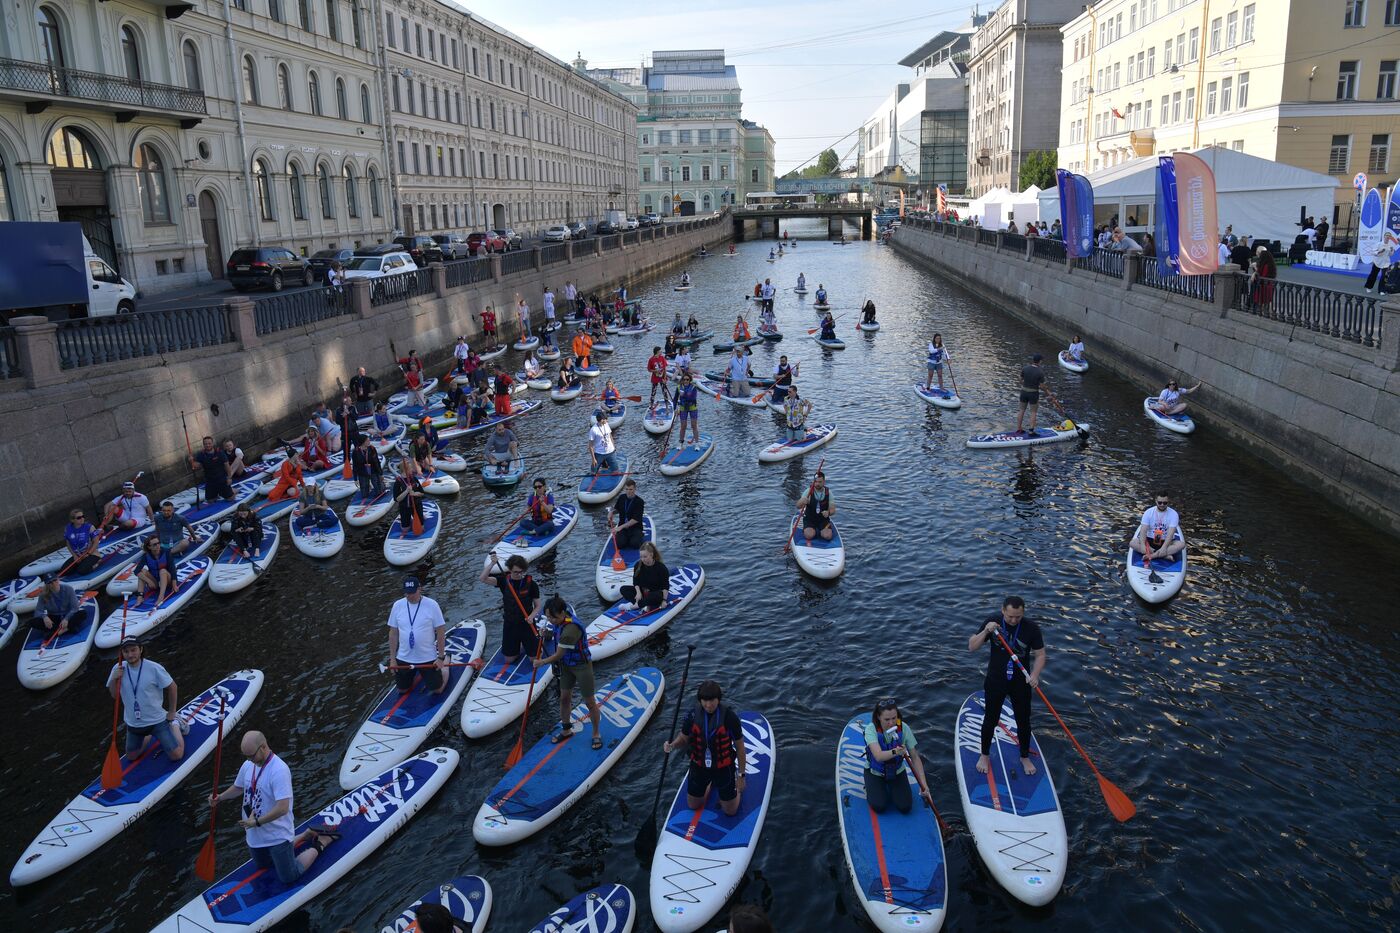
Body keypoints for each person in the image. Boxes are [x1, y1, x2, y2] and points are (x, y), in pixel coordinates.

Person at [208, 731, 339, 885]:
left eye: (251, 755)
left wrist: (257, 822)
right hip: (255, 835)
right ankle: (305, 835)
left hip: (277, 835)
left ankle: (320, 843)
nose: (249, 760)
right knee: (264, 865)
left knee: (289, 876)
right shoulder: (248, 764)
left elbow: (283, 808)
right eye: (246, 756)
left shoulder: (279, 771)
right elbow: (238, 787)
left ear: (263, 747)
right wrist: (220, 797)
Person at [968, 596, 1046, 776]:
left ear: (1023, 613)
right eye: (1010, 616)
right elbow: (972, 646)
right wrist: (986, 632)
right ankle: (985, 755)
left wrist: (1034, 675)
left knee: (1023, 721)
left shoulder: (1031, 628)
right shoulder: (992, 621)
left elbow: (1040, 655)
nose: (1013, 620)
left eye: (1018, 617)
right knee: (990, 719)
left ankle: (1024, 756)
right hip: (996, 680)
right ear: (1003, 610)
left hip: (1021, 682)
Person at [663, 680, 747, 817]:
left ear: (718, 699)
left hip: (723, 768)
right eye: (705, 700)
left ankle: (734, 792)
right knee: (693, 805)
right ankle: (709, 784)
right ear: (700, 700)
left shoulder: (730, 718)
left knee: (730, 811)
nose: (708, 705)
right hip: (699, 767)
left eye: (712, 700)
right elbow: (683, 739)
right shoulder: (692, 716)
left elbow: (740, 748)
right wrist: (672, 745)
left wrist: (741, 776)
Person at [535, 596, 602, 748]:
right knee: (564, 699)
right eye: (548, 617)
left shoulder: (571, 629)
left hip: (581, 666)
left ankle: (596, 733)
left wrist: (542, 662)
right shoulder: (561, 621)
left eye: (553, 617)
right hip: (566, 666)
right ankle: (566, 730)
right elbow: (557, 633)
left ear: (563, 613)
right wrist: (548, 634)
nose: (551, 620)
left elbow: (559, 654)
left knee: (590, 702)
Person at [107, 637, 185, 762]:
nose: (130, 655)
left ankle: (175, 724)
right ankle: (147, 735)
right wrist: (113, 680)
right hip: (134, 725)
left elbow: (173, 687)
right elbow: (115, 696)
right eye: (126, 651)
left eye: (133, 650)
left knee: (177, 755)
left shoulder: (154, 668)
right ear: (122, 653)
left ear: (141, 649)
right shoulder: (118, 669)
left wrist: (172, 712)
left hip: (157, 722)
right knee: (131, 757)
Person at [862, 698, 934, 814]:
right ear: (878, 717)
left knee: (905, 807)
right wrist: (896, 752)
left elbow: (915, 757)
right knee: (879, 807)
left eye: (894, 718)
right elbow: (878, 756)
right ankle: (870, 786)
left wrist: (924, 783)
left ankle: (892, 789)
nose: (891, 723)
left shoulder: (904, 728)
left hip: (897, 771)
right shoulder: (871, 730)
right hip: (875, 771)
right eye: (886, 719)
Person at [387, 576, 447, 694]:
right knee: (402, 690)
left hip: (427, 657)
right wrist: (392, 659)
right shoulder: (397, 605)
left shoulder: (432, 605)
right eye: (406, 593)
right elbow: (393, 633)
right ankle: (417, 675)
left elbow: (440, 631)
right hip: (404, 657)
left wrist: (440, 657)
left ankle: (445, 669)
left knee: (437, 690)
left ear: (420, 589)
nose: (409, 596)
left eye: (412, 593)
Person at [479, 553, 542, 663]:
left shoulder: (531, 584)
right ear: (509, 570)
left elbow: (538, 606)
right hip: (510, 624)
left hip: (526, 624)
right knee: (509, 660)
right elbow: (483, 578)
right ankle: (520, 645)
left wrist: (531, 617)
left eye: (521, 572)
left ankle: (535, 642)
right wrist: (492, 564)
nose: (518, 574)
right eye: (515, 572)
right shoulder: (504, 581)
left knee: (534, 659)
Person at [1131, 491, 1185, 562]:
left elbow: (1170, 534)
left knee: (1181, 544)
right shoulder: (1148, 512)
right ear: (1156, 501)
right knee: (1132, 543)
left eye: (1165, 503)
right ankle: (1163, 555)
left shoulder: (1173, 514)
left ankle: (1152, 556)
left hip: (1166, 541)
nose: (1162, 505)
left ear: (1168, 502)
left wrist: (1164, 547)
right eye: (1160, 502)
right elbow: (1143, 531)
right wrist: (1143, 545)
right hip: (1150, 541)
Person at [619, 541, 668, 610]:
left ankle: (633, 606)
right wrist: (638, 593)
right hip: (643, 592)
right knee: (623, 589)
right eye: (641, 557)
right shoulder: (638, 565)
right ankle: (642, 604)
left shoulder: (661, 568)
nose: (642, 559)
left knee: (657, 596)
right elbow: (635, 581)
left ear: (651, 555)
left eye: (645, 557)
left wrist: (664, 601)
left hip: (654, 593)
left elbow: (665, 586)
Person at [32, 573, 84, 638]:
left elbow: (75, 608)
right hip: (54, 617)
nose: (53, 583)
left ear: (58, 579)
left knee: (82, 613)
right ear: (47, 585)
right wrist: (44, 617)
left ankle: (59, 632)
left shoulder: (68, 589)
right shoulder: (43, 594)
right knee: (32, 622)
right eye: (50, 582)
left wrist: (66, 619)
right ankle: (70, 628)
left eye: (55, 580)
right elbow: (38, 611)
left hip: (67, 615)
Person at [153, 499, 197, 568]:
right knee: (147, 543)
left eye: (168, 510)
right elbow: (157, 529)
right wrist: (157, 542)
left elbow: (189, 528)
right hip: (163, 544)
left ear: (173, 510)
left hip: (177, 543)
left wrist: (195, 538)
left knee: (185, 542)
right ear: (161, 510)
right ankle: (167, 553)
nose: (166, 512)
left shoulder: (180, 518)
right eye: (164, 510)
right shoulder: (157, 518)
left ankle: (167, 554)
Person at [191, 435, 235, 501]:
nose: (207, 445)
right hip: (210, 481)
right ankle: (218, 494)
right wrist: (191, 461)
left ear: (212, 443)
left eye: (209, 443)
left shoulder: (220, 452)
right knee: (210, 501)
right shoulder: (201, 454)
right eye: (205, 444)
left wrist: (229, 478)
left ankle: (234, 491)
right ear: (203, 445)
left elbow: (227, 466)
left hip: (222, 479)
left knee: (231, 499)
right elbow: (196, 466)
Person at [135, 535, 176, 605]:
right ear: (149, 547)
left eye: (158, 543)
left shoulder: (166, 552)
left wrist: (174, 585)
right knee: (143, 571)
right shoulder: (146, 556)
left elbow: (172, 568)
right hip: (155, 582)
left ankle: (161, 597)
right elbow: (136, 571)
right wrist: (148, 581)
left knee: (162, 571)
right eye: (154, 544)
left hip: (167, 580)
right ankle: (140, 597)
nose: (158, 545)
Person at [62, 508, 103, 576]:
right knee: (64, 571)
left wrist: (88, 554)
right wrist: (74, 556)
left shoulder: (89, 527)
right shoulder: (67, 528)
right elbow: (68, 543)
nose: (82, 518)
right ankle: (81, 563)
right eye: (79, 518)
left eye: (83, 516)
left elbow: (96, 541)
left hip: (91, 554)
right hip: (78, 555)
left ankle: (97, 562)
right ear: (72, 520)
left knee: (82, 571)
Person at [609, 479, 646, 551]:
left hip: (635, 527)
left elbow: (635, 520)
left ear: (635, 489)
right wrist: (611, 512)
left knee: (635, 544)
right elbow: (617, 509)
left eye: (631, 489)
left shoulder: (639, 501)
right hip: (623, 527)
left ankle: (639, 536)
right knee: (620, 544)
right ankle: (625, 538)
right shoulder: (621, 497)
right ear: (624, 489)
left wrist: (619, 528)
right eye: (627, 489)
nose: (629, 491)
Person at [797, 470, 834, 542]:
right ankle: (812, 530)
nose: (817, 484)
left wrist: (828, 513)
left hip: (823, 520)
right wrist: (802, 501)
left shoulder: (828, 492)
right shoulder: (808, 491)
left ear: (824, 482)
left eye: (820, 482)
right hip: (810, 519)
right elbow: (798, 506)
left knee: (828, 536)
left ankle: (821, 531)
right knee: (809, 535)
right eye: (816, 482)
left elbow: (833, 510)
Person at [392, 458, 425, 531]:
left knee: (421, 528)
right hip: (405, 507)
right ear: (405, 470)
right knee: (405, 529)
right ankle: (405, 520)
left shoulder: (414, 478)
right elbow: (397, 499)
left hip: (416, 505)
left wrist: (415, 494)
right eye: (411, 469)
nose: (413, 470)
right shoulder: (398, 482)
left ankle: (420, 516)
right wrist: (406, 491)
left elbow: (422, 493)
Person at [1016, 353, 1046, 435]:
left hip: (1024, 392)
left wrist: (1025, 384)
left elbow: (1020, 380)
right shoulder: (1040, 372)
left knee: (1021, 410)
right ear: (1040, 361)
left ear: (1033, 360)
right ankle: (1031, 431)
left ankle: (1019, 429)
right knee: (1033, 412)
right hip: (1033, 393)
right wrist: (1047, 392)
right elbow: (1042, 386)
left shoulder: (1025, 368)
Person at [588, 410, 618, 474]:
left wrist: (614, 447)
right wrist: (593, 459)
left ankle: (608, 469)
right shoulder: (593, 430)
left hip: (610, 452)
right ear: (601, 420)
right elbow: (590, 446)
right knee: (593, 472)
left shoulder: (606, 425)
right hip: (599, 454)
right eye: (605, 419)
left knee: (615, 471)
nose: (607, 420)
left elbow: (610, 436)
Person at [676, 373, 701, 446]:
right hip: (683, 408)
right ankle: (681, 443)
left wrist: (684, 394)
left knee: (694, 426)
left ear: (690, 380)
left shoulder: (693, 387)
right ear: (682, 380)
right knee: (683, 426)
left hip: (692, 408)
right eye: (684, 379)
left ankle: (697, 443)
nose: (686, 381)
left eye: (687, 379)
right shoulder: (678, 387)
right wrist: (674, 408)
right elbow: (675, 399)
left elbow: (693, 398)